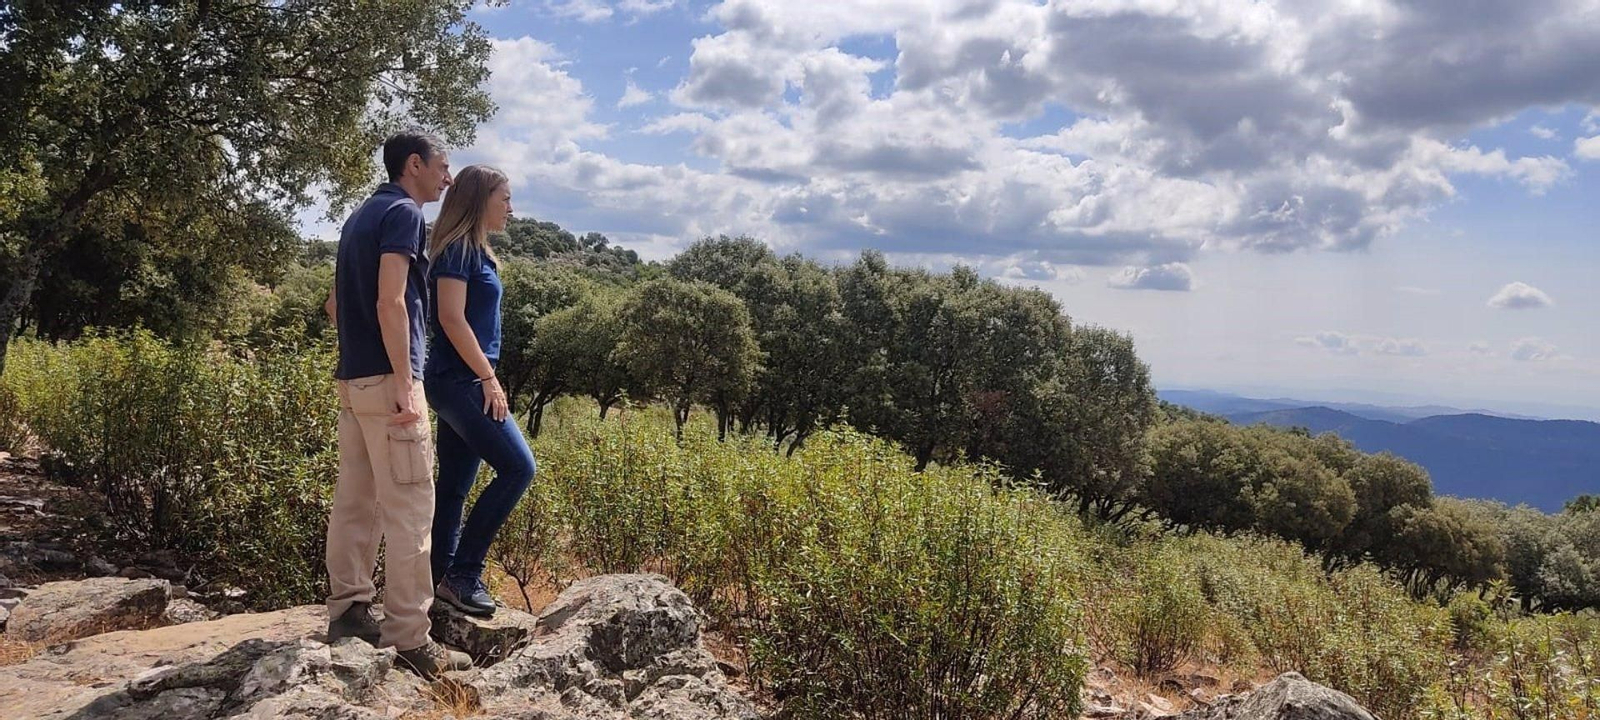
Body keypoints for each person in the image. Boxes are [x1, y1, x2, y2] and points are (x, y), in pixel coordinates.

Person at [322, 131, 472, 679]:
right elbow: (391, 300)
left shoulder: (359, 215)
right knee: (412, 510)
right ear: (414, 165)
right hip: (389, 384)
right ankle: (410, 638)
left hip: (355, 381)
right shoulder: (406, 215)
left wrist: (361, 362)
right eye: (443, 166)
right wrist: (406, 381)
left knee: (357, 500)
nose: (448, 177)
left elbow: (335, 303)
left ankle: (348, 614)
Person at [423, 165, 534, 617]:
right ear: (479, 199)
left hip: (459, 380)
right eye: (504, 198)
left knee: (454, 485)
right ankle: (463, 574)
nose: (510, 208)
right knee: (518, 468)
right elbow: (451, 318)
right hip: (461, 381)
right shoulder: (457, 252)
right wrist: (488, 378)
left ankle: (436, 584)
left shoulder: (474, 251)